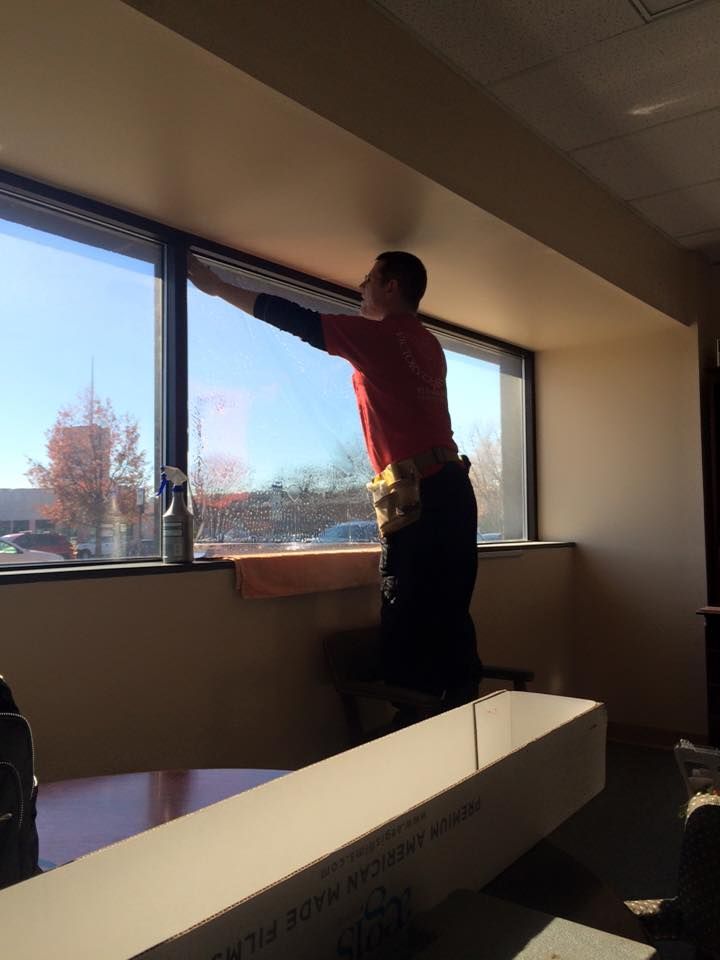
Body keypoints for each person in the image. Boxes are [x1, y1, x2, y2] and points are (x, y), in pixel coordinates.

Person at [188, 251, 482, 717]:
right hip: (452, 489)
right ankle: (466, 729)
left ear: (391, 287)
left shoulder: (383, 337)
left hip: (420, 494)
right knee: (449, 612)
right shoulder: (427, 343)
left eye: (369, 279)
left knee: (406, 611)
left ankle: (418, 738)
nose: (361, 288)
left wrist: (219, 287)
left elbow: (296, 320)